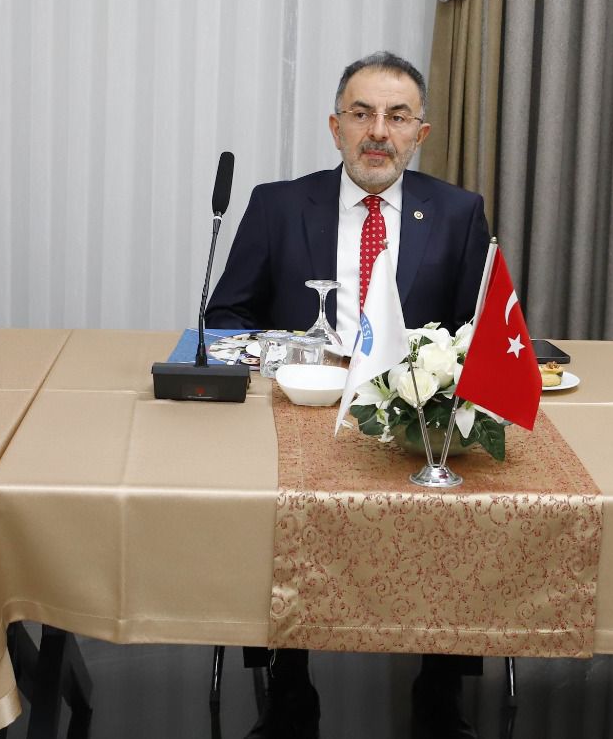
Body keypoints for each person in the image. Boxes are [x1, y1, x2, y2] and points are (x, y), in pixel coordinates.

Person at [207, 52, 490, 739]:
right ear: (335, 128)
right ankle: (288, 684)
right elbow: (227, 320)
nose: (378, 132)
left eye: (397, 117)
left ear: (420, 133)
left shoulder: (458, 213)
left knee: (466, 502)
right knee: (276, 511)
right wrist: (294, 361)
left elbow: (479, 333)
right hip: (301, 413)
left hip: (412, 422)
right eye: (362, 114)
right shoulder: (278, 206)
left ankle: (440, 686)